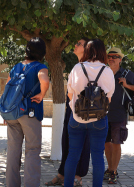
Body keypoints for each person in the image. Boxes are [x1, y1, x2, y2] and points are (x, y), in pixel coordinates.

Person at [64, 39, 115, 187]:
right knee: (98, 156)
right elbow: (109, 98)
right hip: (99, 120)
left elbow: (70, 94)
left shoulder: (77, 68)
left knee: (72, 155)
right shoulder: (107, 71)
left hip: (77, 118)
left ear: (87, 51)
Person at [45, 38, 91, 187]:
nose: (75, 45)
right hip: (71, 110)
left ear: (87, 48)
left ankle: (78, 176)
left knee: (83, 144)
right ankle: (62, 174)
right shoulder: (77, 66)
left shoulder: (90, 67)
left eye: (79, 44)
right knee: (66, 142)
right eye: (76, 43)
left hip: (84, 112)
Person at [6, 37, 50, 187]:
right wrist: (42, 94)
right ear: (42, 52)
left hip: (12, 114)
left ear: (26, 50)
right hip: (30, 113)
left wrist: (6, 110)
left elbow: (7, 86)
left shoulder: (16, 67)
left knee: (13, 151)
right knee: (32, 150)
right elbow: (44, 80)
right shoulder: (40, 67)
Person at [104, 47, 134, 183]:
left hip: (119, 115)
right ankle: (110, 168)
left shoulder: (126, 73)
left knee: (116, 143)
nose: (111, 58)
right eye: (109, 56)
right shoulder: (103, 72)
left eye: (115, 56)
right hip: (103, 115)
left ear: (120, 59)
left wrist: (126, 85)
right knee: (106, 144)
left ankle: (114, 171)